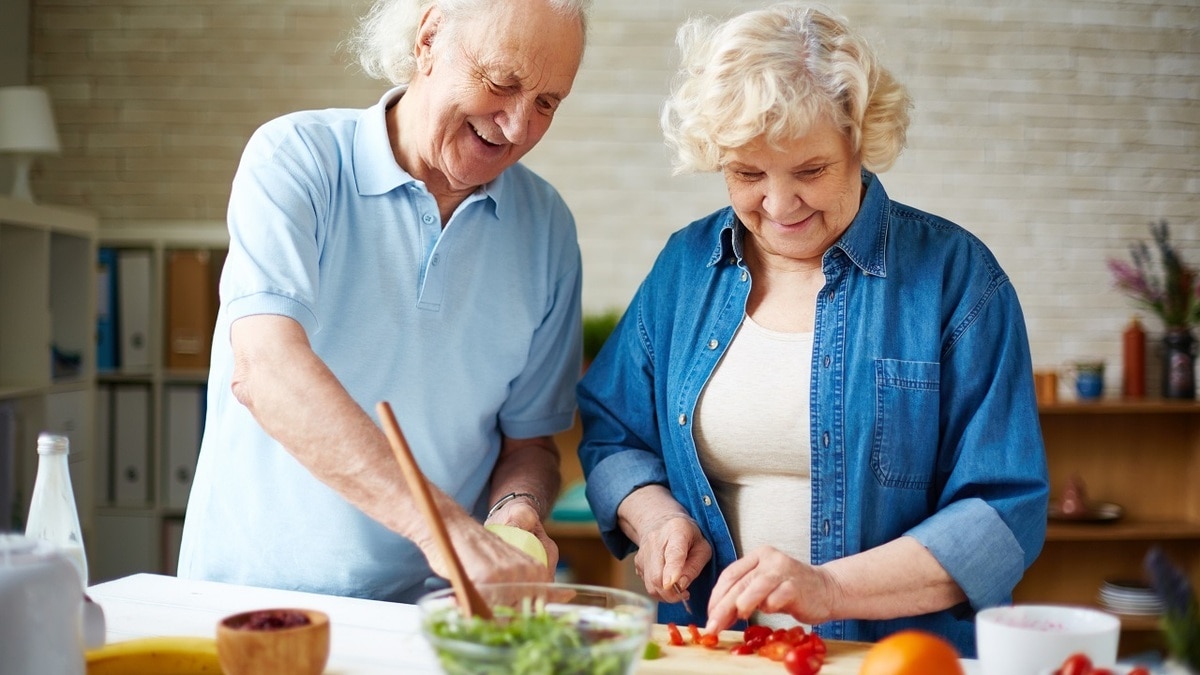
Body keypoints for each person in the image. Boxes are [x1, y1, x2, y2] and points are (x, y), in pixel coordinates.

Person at [577, 3, 1047, 655]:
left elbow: (1000, 516)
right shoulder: (684, 270)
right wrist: (655, 516)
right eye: (747, 173)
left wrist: (827, 589)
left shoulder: (957, 279)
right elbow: (613, 431)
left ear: (862, 141)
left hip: (895, 660)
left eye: (810, 170)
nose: (778, 205)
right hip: (719, 653)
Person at [178, 0, 591, 603]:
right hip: (252, 600)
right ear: (429, 39)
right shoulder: (296, 158)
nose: (517, 126)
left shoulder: (547, 225)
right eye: (501, 83)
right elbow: (266, 370)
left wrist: (516, 508)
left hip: (432, 614)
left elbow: (527, 442)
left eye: (547, 104)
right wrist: (444, 527)